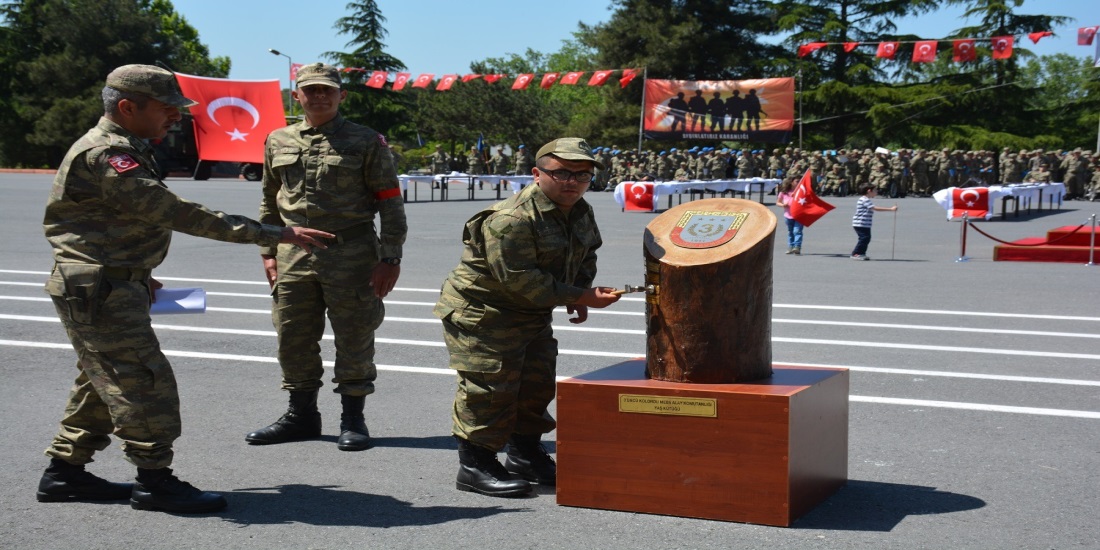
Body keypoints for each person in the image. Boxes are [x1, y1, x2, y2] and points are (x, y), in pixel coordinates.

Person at [38, 64, 333, 513]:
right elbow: (173, 212)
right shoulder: (108, 153)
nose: (176, 117)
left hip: (109, 281)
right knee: (143, 381)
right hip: (100, 287)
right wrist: (274, 234)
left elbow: (103, 223)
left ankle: (65, 473)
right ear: (127, 107)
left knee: (103, 380)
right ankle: (154, 480)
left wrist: (136, 267)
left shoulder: (126, 147)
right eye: (166, 108)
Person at [433, 138, 621, 497]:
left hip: (529, 309)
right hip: (484, 310)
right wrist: (581, 296)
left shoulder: (580, 210)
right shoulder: (511, 219)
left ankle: (524, 454)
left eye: (582, 175)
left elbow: (586, 253)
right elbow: (519, 279)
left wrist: (580, 290)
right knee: (489, 387)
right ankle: (475, 463)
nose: (572, 182)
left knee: (535, 383)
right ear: (537, 174)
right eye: (561, 173)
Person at [247, 63, 408, 453]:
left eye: (327, 90)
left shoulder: (366, 141)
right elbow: (269, 199)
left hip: (351, 253)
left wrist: (390, 257)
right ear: (296, 95)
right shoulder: (277, 140)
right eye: (311, 90)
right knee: (292, 335)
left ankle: (353, 418)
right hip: (293, 255)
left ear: (341, 96)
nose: (319, 96)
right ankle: (301, 415)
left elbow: (390, 202)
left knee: (354, 336)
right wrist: (268, 251)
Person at [851, 184, 897, 260]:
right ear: (869, 191)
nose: (877, 192)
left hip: (864, 223)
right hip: (860, 223)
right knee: (864, 238)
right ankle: (856, 253)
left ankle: (861, 253)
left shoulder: (866, 199)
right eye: (875, 190)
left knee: (865, 238)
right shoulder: (864, 199)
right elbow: (874, 208)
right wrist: (891, 209)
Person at [775, 180, 804, 255]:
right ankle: (791, 246)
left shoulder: (802, 191)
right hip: (788, 215)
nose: (798, 183)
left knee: (797, 231)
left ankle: (797, 246)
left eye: (799, 181)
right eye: (796, 181)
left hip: (799, 215)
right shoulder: (784, 192)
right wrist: (783, 205)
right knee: (790, 232)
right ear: (791, 182)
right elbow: (778, 202)